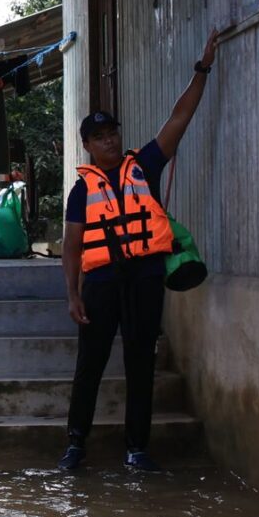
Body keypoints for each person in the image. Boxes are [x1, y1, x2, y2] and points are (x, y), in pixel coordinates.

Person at [58, 29, 219, 472]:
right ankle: (76, 445)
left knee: (140, 362)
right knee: (89, 363)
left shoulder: (143, 165)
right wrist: (73, 294)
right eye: (100, 136)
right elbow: (72, 247)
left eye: (113, 134)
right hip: (103, 281)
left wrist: (202, 70)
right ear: (88, 145)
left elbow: (179, 118)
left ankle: (137, 449)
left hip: (146, 276)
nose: (109, 141)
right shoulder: (81, 191)